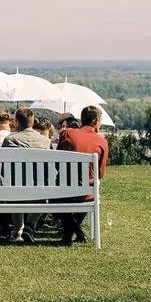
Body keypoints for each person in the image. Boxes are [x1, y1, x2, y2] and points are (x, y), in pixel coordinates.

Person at [56, 105, 109, 245]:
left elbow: (57, 161)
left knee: (59, 193)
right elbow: (100, 174)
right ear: (95, 120)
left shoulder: (67, 134)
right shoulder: (102, 141)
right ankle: (72, 232)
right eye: (100, 120)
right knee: (91, 190)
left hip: (62, 191)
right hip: (86, 192)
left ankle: (69, 234)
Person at [1, 107, 51, 243]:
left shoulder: (10, 140)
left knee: (15, 186)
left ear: (16, 122)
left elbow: (3, 170)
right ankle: (29, 226)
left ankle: (17, 230)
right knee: (43, 188)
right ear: (33, 121)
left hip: (15, 190)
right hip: (39, 191)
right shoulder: (45, 141)